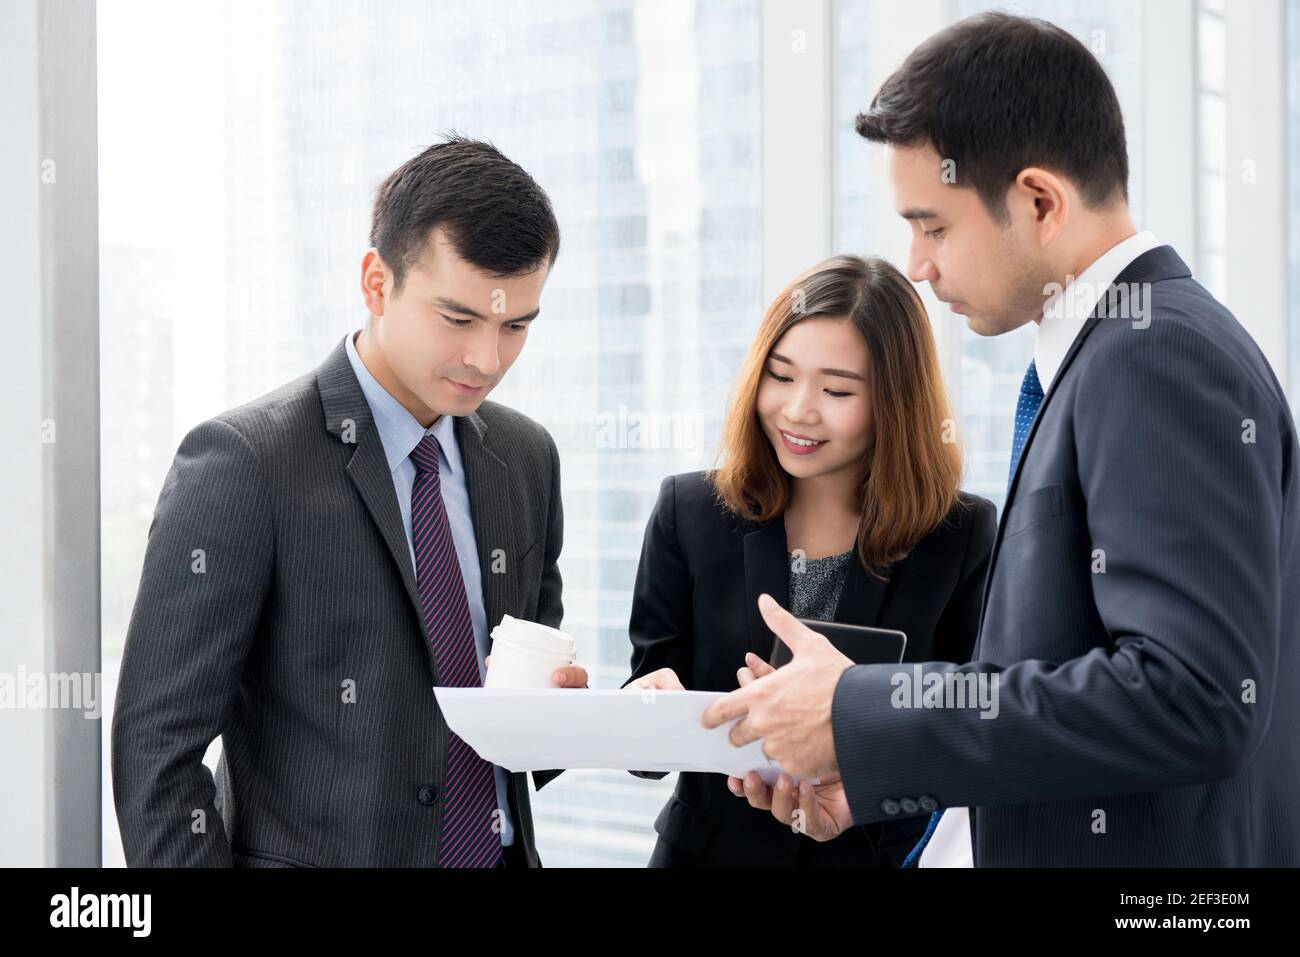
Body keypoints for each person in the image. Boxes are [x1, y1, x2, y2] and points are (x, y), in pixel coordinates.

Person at [710, 12, 1300, 867]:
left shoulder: (1155, 355)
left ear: (1038, 201)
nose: (916, 263)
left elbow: (1193, 698)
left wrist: (859, 709)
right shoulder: (1115, 349)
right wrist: (873, 763)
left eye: (933, 225)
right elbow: (1075, 695)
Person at [112, 135, 586, 868]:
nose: (487, 360)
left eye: (516, 325)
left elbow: (508, 746)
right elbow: (155, 748)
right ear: (376, 282)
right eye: (458, 319)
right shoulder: (245, 462)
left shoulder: (526, 458)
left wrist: (565, 718)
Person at [625, 254, 996, 866]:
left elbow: (970, 730)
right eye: (781, 375)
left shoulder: (960, 534)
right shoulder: (689, 511)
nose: (799, 410)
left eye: (837, 390)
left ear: (895, 404)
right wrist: (644, 710)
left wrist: (861, 747)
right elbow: (647, 744)